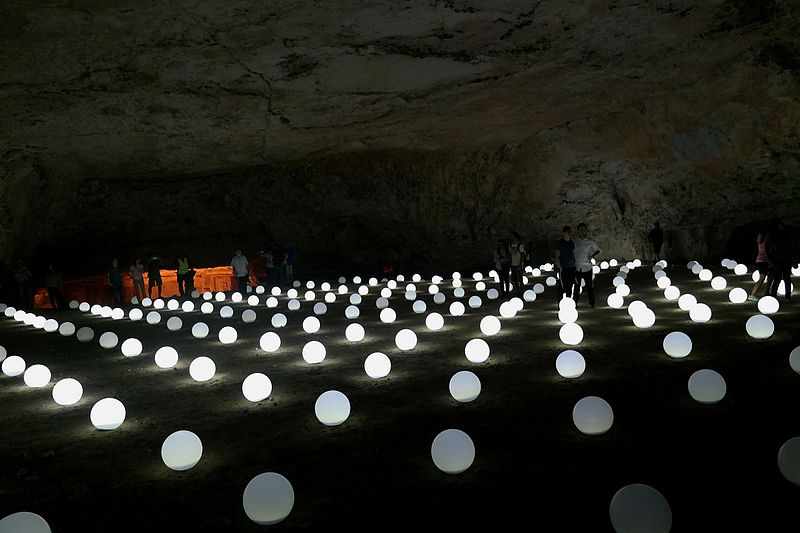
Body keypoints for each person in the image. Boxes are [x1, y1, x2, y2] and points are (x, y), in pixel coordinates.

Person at [764, 218, 795, 302]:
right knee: (778, 279)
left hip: (784, 260)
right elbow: (766, 249)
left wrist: (793, 259)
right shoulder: (771, 235)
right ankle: (775, 296)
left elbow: (791, 247)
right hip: (776, 260)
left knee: (785, 278)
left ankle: (786, 296)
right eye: (780, 225)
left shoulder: (786, 234)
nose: (782, 226)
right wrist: (770, 261)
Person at [573, 223, 601, 308]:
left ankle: (592, 303)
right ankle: (574, 303)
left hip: (587, 267)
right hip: (577, 267)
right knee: (576, 287)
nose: (582, 231)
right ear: (578, 231)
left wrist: (592, 256)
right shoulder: (574, 241)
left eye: (583, 229)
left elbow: (598, 250)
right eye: (580, 229)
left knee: (589, 286)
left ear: (586, 231)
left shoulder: (590, 241)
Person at [554, 226, 577, 302]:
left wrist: (575, 264)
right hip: (564, 267)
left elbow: (573, 253)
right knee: (562, 285)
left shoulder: (571, 243)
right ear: (564, 233)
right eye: (567, 232)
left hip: (572, 267)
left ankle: (568, 300)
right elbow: (557, 256)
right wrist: (560, 266)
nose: (569, 234)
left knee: (570, 286)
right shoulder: (560, 244)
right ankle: (560, 302)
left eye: (570, 232)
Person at [749, 231, 769, 301]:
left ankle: (770, 291)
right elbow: (765, 253)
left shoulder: (760, 243)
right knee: (761, 279)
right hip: (763, 262)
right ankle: (752, 294)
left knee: (766, 277)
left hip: (760, 262)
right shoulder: (764, 244)